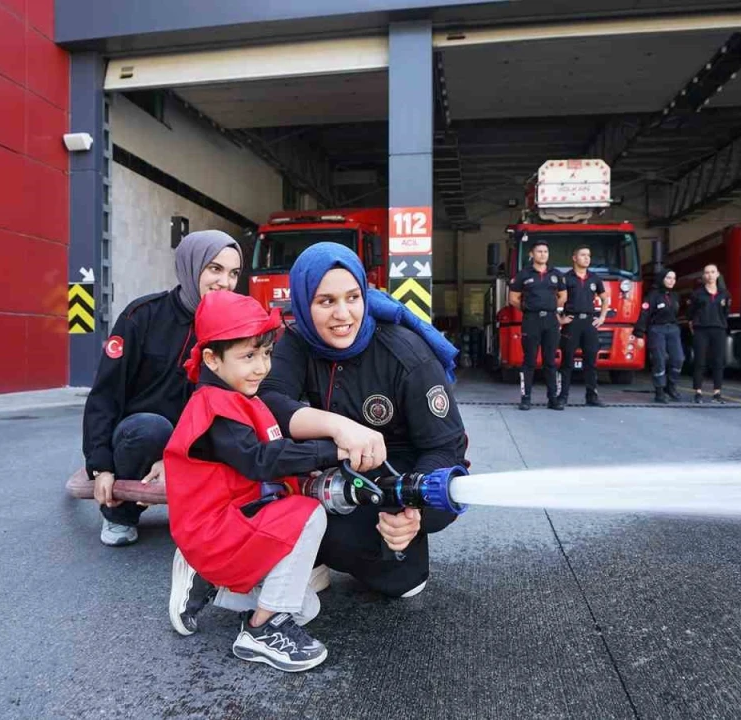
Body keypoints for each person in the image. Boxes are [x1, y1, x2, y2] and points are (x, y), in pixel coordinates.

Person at [259, 242, 465, 600]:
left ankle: (327, 547)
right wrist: (339, 426)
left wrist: (414, 509)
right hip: (326, 465)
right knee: (259, 466)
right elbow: (270, 402)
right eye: (326, 302)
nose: (343, 314)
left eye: (353, 298)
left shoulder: (407, 355)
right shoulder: (296, 340)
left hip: (396, 474)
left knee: (401, 583)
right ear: (304, 304)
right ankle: (306, 555)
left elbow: (446, 448)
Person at [165, 290, 343, 672]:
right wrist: (332, 450)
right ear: (212, 358)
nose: (261, 367)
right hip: (213, 529)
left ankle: (211, 580)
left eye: (265, 354)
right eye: (248, 356)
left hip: (234, 520)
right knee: (308, 513)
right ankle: (261, 630)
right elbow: (260, 460)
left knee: (306, 606)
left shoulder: (242, 397)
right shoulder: (213, 407)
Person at [82, 230, 243, 547]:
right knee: (149, 428)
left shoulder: (234, 328)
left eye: (233, 273)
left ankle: (214, 510)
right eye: (215, 269)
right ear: (191, 266)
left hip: (197, 443)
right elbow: (105, 396)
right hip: (142, 439)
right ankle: (120, 514)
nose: (225, 281)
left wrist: (177, 458)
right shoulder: (142, 316)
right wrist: (100, 467)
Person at [508, 240, 567, 410]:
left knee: (550, 361)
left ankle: (553, 399)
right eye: (539, 251)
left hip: (551, 321)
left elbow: (563, 295)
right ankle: (526, 398)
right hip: (531, 320)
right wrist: (528, 309)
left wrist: (553, 307)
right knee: (529, 361)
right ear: (532, 254)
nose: (543, 254)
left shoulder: (555, 274)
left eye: (546, 251)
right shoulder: (523, 274)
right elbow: (513, 299)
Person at [558, 246, 609, 407]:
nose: (587, 258)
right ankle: (562, 396)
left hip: (589, 323)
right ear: (574, 258)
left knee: (591, 362)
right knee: (567, 362)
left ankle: (591, 396)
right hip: (572, 323)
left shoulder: (595, 278)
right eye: (583, 255)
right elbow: (555, 299)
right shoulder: (566, 278)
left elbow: (605, 299)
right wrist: (559, 319)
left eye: (589, 255)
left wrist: (602, 317)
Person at [633, 269, 683, 404]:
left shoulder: (675, 296)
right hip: (657, 329)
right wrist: (639, 334)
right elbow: (644, 314)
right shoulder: (652, 296)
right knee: (659, 360)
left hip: (672, 329)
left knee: (678, 358)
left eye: (674, 278)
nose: (671, 281)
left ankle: (671, 387)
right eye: (668, 278)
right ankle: (659, 392)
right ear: (662, 279)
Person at [687, 264, 731, 404]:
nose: (710, 275)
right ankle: (698, 392)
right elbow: (690, 313)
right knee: (700, 361)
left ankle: (717, 393)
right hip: (701, 329)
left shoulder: (725, 294)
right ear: (703, 276)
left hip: (718, 329)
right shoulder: (697, 294)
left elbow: (726, 313)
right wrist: (693, 325)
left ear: (717, 274)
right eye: (707, 272)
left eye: (712, 272)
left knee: (718, 361)